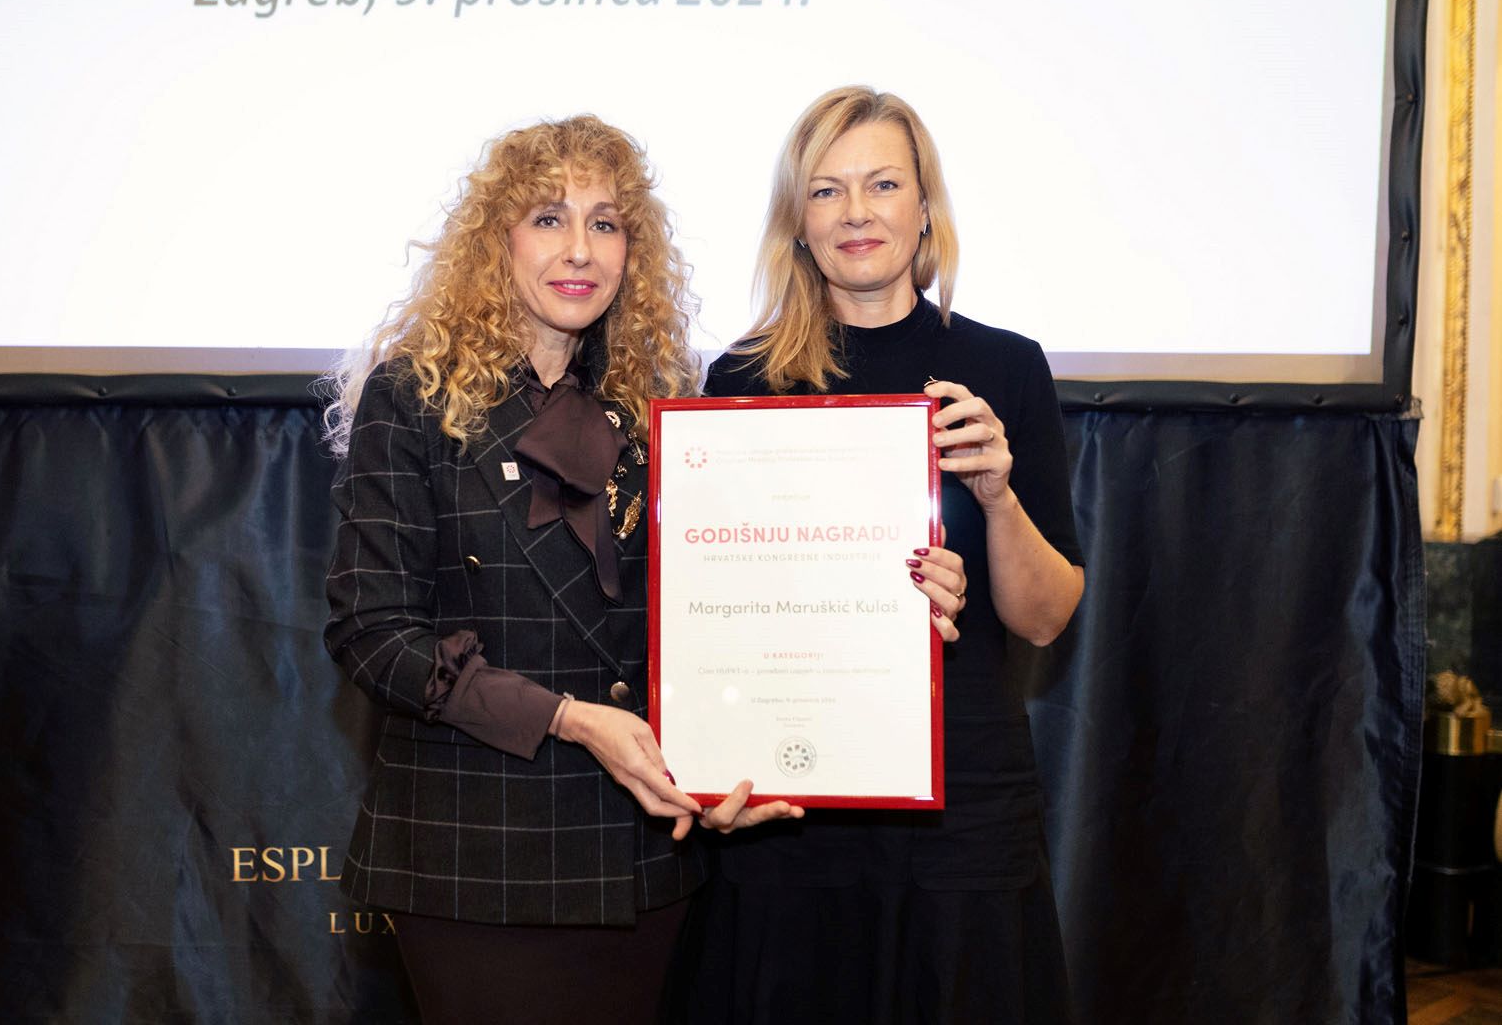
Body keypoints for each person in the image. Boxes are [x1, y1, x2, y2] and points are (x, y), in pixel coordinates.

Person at [322, 116, 955, 1022]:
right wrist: (572, 720)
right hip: (474, 854)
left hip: (640, 856)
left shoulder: (658, 413)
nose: (580, 249)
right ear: (496, 240)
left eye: (606, 223)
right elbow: (373, 636)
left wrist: (735, 752)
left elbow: (717, 621)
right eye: (548, 218)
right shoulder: (413, 398)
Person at [688, 87, 1086, 1024]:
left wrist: (995, 496)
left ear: (925, 208)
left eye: (883, 184)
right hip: (792, 798)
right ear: (798, 223)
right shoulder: (742, 381)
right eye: (826, 191)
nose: (856, 213)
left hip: (962, 800)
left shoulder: (1005, 368)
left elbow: (1043, 619)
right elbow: (720, 604)